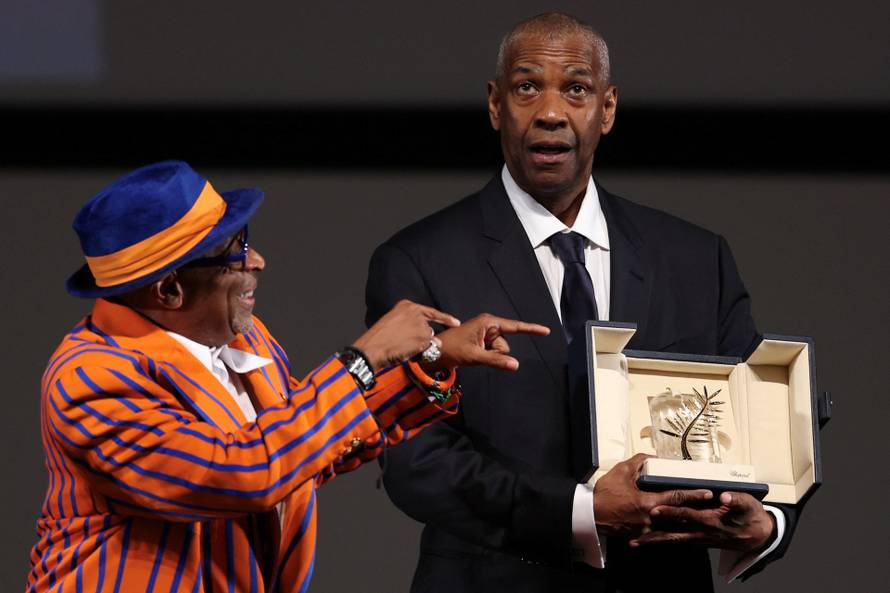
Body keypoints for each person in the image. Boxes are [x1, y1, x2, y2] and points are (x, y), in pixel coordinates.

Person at [365, 12, 798, 593]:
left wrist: (765, 524)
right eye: (526, 87)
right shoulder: (419, 261)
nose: (550, 112)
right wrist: (582, 511)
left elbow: (760, 431)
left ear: (608, 108)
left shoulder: (697, 260)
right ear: (495, 105)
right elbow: (414, 462)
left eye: (575, 88)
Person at [25, 160, 549, 593]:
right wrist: (361, 362)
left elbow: (302, 446)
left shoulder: (241, 340)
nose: (258, 260)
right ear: (168, 291)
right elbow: (242, 473)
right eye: (234, 251)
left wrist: (430, 363)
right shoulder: (91, 376)